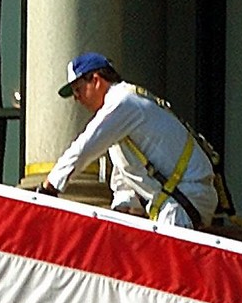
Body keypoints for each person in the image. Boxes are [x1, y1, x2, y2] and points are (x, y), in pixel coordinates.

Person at [37, 52, 217, 229]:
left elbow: (84, 147)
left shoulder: (122, 101)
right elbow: (126, 172)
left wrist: (49, 187)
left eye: (78, 89)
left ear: (96, 80)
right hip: (179, 199)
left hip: (183, 199)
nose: (76, 98)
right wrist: (122, 208)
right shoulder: (123, 113)